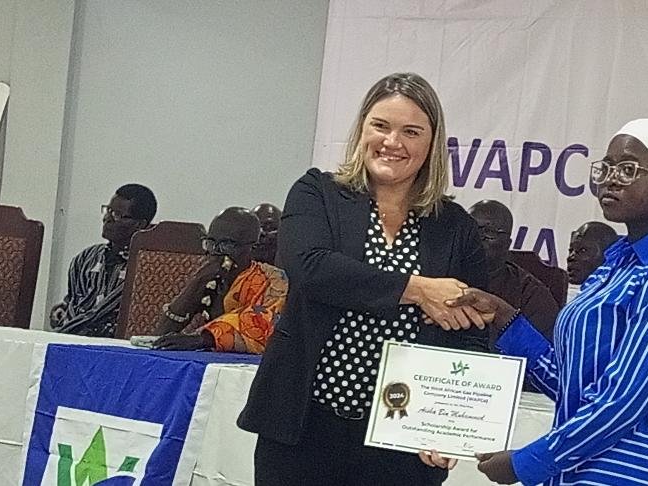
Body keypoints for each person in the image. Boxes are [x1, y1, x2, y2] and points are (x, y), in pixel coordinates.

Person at [429, 118, 648, 485]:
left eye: (629, 169)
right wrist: (505, 318)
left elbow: (622, 403)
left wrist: (527, 462)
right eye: (607, 167)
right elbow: (575, 387)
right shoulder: (613, 269)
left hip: (643, 474)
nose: (611, 179)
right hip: (580, 471)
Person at [237, 72, 488, 486]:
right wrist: (418, 289)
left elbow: (472, 333)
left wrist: (450, 428)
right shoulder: (317, 191)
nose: (393, 142)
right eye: (381, 126)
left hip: (402, 443)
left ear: (431, 143)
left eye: (411, 131)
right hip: (302, 433)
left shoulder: (455, 226)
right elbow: (312, 268)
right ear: (362, 129)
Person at [152, 207, 287, 354]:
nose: (216, 252)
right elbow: (162, 334)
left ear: (252, 246)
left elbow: (262, 325)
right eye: (210, 243)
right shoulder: (209, 278)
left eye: (227, 244)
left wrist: (203, 339)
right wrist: (197, 282)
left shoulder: (274, 280)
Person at [50, 184, 157, 337]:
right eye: (108, 210)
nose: (107, 219)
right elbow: (73, 301)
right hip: (71, 338)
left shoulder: (143, 266)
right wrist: (61, 312)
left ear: (139, 224)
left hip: (113, 347)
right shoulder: (86, 257)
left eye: (118, 215)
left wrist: (62, 330)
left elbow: (99, 315)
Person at [469, 199, 559, 344]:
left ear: (507, 244)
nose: (476, 238)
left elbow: (541, 354)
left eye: (489, 232)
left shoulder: (531, 294)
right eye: (470, 229)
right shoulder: (441, 277)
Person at [565, 221, 618, 302]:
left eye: (583, 250)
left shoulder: (614, 301)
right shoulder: (574, 298)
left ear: (609, 255)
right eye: (571, 250)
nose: (570, 257)